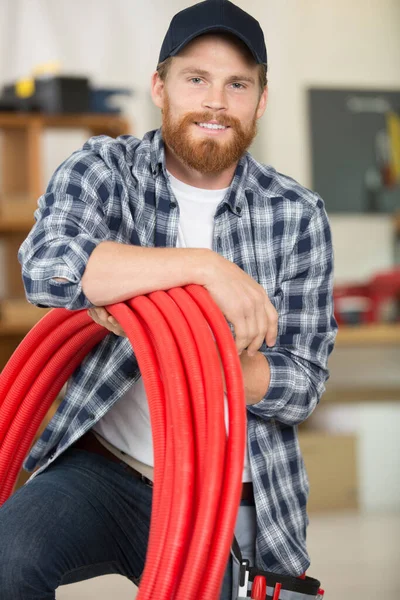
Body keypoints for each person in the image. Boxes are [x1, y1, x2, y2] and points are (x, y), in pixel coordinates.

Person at [0, 0, 337, 598]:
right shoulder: (105, 169)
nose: (215, 101)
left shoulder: (298, 213)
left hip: (230, 487)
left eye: (237, 84)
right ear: (160, 87)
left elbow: (303, 383)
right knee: (7, 557)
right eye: (196, 79)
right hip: (111, 472)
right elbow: (48, 267)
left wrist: (203, 354)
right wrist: (204, 271)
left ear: (260, 100)